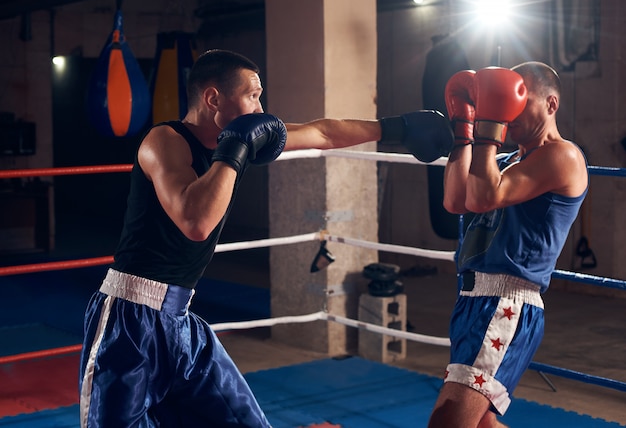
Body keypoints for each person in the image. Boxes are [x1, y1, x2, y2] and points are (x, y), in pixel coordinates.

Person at [79, 48, 454, 427]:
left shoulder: (239, 141)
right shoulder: (164, 141)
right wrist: (234, 149)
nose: (261, 109)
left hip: (180, 321)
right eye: (253, 95)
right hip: (129, 319)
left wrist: (397, 129)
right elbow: (196, 222)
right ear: (213, 98)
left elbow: (322, 132)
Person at [427, 62, 589, 428]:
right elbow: (455, 200)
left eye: (520, 100)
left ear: (551, 104)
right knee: (481, 423)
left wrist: (488, 128)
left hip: (505, 306)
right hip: (471, 302)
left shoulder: (563, 156)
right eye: (505, 103)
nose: (510, 112)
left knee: (447, 423)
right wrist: (463, 131)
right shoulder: (502, 161)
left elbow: (485, 196)